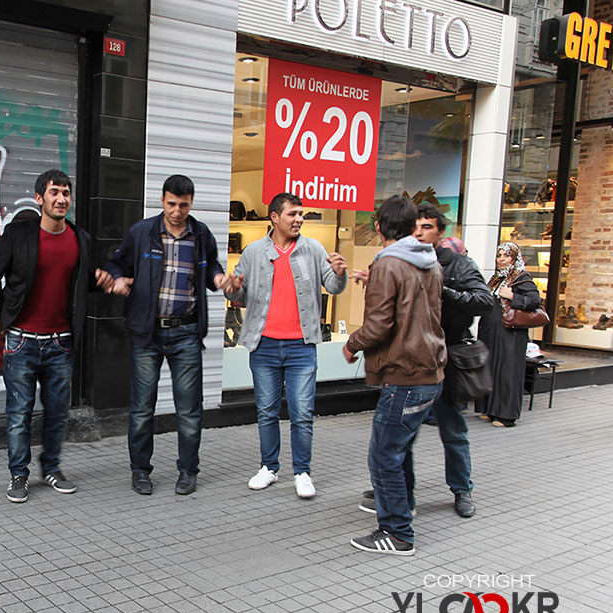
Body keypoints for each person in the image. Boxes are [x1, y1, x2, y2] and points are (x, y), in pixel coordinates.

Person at [353, 204, 492, 518]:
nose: (419, 232)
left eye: (427, 227)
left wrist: (445, 292)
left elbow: (485, 300)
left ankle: (461, 489)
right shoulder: (404, 260)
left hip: (446, 359)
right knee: (403, 439)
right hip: (415, 364)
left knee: (453, 432)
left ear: (440, 233)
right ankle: (405, 496)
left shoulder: (455, 264)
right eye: (416, 226)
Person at [0, 169, 109, 503]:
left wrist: (111, 282)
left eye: (66, 193)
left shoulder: (80, 239)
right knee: (19, 414)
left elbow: (85, 283)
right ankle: (18, 476)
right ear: (40, 198)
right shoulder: (18, 235)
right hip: (21, 341)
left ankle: (51, 468)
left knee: (57, 413)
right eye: (54, 192)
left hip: (60, 343)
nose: (61, 199)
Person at [103, 174, 236, 496]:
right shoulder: (142, 232)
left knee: (189, 409)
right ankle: (140, 471)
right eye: (172, 204)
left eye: (184, 205)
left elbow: (211, 269)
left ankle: (188, 471)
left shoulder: (201, 234)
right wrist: (116, 279)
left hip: (186, 332)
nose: (177, 211)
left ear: (191, 203)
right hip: (147, 334)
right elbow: (117, 263)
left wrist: (220, 280)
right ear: (162, 200)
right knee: (142, 409)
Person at [225, 192, 348, 499]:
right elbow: (238, 296)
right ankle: (269, 467)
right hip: (264, 345)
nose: (299, 219)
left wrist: (341, 273)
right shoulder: (254, 252)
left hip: (301, 347)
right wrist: (232, 290)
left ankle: (302, 472)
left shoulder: (312, 249)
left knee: (302, 412)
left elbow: (332, 287)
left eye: (301, 214)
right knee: (266, 411)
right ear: (275, 218)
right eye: (292, 214)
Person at [343, 196, 446, 556]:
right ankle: (404, 505)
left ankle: (397, 532)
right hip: (429, 368)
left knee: (384, 455)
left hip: (404, 372)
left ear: (377, 226)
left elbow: (378, 325)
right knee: (400, 450)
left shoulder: (389, 263)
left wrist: (352, 344)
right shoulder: (429, 261)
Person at [474, 242, 542, 428]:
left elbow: (535, 301)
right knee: (491, 367)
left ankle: (506, 415)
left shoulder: (522, 278)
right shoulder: (496, 278)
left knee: (506, 370)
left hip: (509, 333)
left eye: (506, 255)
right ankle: (489, 409)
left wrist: (513, 297)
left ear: (515, 258)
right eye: (499, 255)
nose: (502, 259)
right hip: (491, 331)